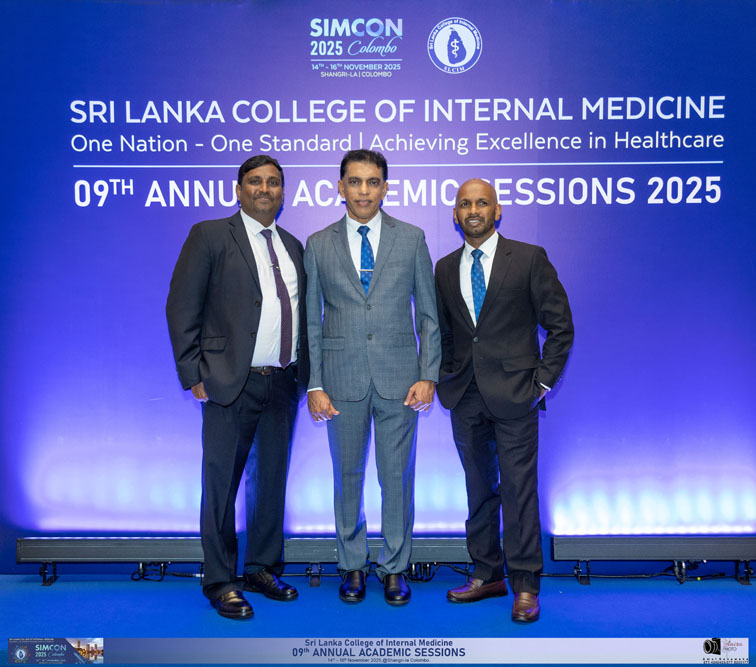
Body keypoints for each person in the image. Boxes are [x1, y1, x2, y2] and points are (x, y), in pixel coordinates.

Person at [166, 155, 308, 619]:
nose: (265, 189)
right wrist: (193, 373)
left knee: (270, 483)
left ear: (283, 193)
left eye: (273, 182)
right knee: (222, 484)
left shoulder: (292, 245)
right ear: (239, 190)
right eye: (255, 181)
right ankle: (221, 580)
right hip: (229, 381)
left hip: (282, 382)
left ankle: (262, 568)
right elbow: (181, 306)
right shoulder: (210, 235)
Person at [305, 149, 440, 606]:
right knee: (347, 476)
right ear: (340, 187)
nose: (364, 191)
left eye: (373, 182)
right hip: (339, 380)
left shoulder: (412, 238)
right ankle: (352, 564)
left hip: (401, 380)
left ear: (385, 187)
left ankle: (395, 567)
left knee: (397, 478)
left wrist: (428, 374)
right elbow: (311, 321)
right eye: (355, 181)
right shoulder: (318, 243)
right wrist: (315, 383)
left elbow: (428, 314)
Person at [435, 179, 573, 623]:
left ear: (497, 211)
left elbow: (561, 326)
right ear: (455, 214)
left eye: (482, 203)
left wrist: (542, 383)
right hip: (465, 396)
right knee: (478, 490)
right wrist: (446, 377)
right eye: (465, 204)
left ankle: (526, 585)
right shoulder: (444, 267)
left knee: (518, 491)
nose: (473, 210)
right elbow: (445, 333)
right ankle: (487, 574)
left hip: (517, 396)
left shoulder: (529, 258)